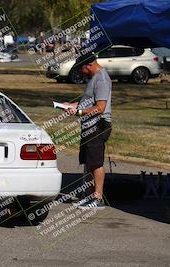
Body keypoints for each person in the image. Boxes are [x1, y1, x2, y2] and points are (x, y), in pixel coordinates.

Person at [64, 51, 112, 209]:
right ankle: (91, 196)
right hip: (88, 125)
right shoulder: (93, 78)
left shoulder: (102, 80)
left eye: (81, 68)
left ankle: (98, 199)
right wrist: (73, 106)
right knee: (89, 162)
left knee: (96, 163)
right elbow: (89, 102)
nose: (80, 72)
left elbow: (100, 108)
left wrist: (78, 112)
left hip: (97, 125)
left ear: (89, 65)